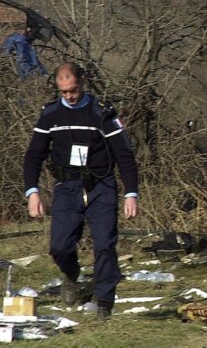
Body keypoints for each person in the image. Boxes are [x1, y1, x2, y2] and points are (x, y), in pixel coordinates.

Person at [23, 63, 139, 320]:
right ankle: (71, 275)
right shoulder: (50, 116)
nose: (69, 96)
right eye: (63, 92)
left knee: (105, 244)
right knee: (60, 246)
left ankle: (104, 303)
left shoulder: (101, 114)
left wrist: (131, 193)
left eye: (73, 90)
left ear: (82, 83)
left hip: (101, 184)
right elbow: (33, 156)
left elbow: (124, 155)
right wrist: (32, 192)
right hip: (67, 187)